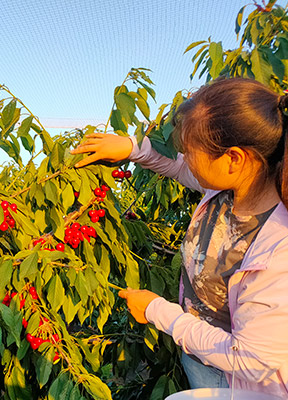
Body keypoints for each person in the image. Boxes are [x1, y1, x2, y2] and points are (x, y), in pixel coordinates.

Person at [70, 77, 288, 397]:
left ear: (233, 159)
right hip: (200, 354)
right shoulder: (227, 189)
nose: (185, 157)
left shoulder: (277, 251)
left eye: (191, 150)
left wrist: (159, 310)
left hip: (242, 382)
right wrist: (131, 147)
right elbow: (178, 167)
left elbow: (253, 359)